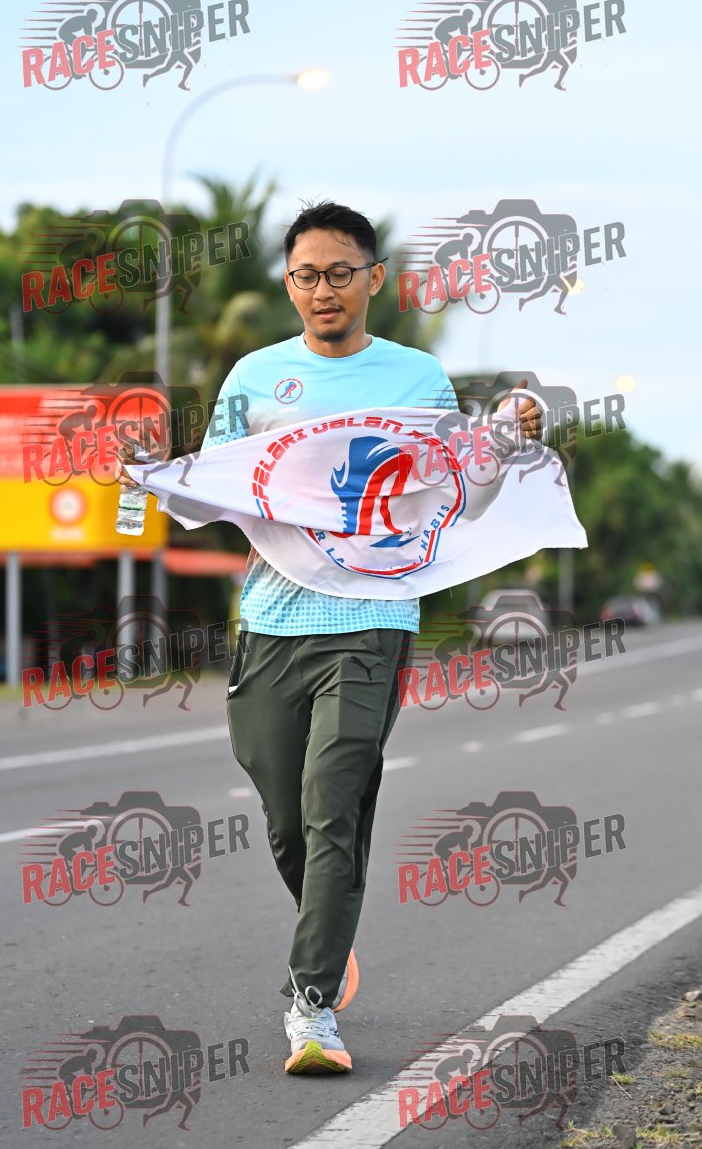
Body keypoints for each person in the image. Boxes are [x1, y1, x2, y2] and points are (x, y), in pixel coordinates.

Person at [119, 200, 539, 1075]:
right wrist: (149, 473)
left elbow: (458, 487)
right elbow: (215, 487)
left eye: (341, 273)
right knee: (286, 823)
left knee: (331, 806)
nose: (324, 290)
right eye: (307, 275)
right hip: (273, 620)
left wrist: (503, 436)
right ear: (288, 283)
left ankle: (311, 1008)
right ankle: (330, 934)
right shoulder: (255, 376)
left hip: (372, 620)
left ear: (373, 279)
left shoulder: (417, 377)